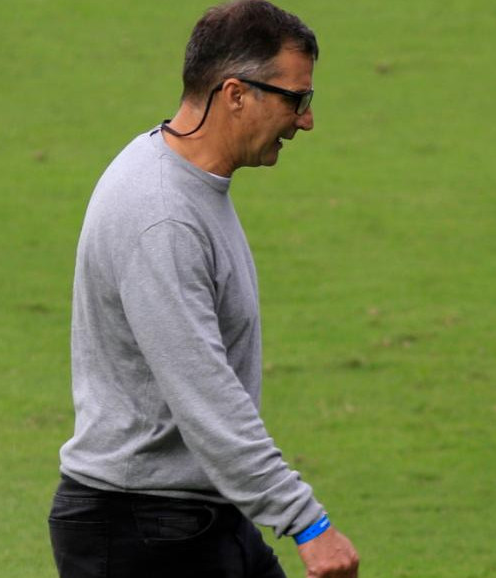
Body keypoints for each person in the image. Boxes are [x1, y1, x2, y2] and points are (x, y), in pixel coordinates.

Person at [49, 2, 359, 577]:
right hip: (143, 530)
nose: (306, 120)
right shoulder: (163, 216)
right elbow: (205, 396)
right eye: (297, 99)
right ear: (236, 94)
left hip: (195, 514)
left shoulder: (183, 181)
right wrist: (308, 523)